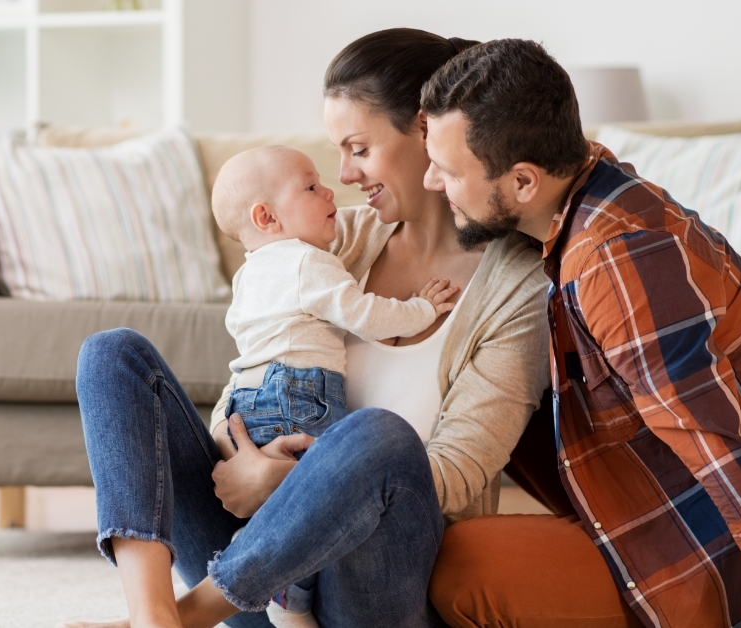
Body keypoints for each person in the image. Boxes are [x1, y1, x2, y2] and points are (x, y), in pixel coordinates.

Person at [59, 28, 551, 628]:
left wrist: (286, 481)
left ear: (428, 133)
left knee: (380, 435)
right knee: (113, 356)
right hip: (266, 581)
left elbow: (454, 475)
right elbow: (256, 373)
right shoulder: (334, 235)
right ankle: (152, 614)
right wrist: (237, 452)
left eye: (358, 148)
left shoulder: (518, 288)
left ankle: (189, 618)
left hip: (374, 592)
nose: (343, 175)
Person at [420, 39, 741, 628]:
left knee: (461, 572)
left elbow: (712, 437)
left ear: (524, 182)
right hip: (661, 505)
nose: (430, 182)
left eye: (447, 171)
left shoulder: (615, 258)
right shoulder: (589, 196)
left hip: (726, 555)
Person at [211, 145, 459, 627]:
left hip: (251, 398)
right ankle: (289, 597)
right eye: (310, 187)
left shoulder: (248, 277)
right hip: (298, 398)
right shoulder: (306, 261)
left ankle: (258, 554)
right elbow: (364, 313)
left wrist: (229, 436)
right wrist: (421, 311)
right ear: (267, 216)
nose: (332, 190)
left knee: (292, 503)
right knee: (332, 486)